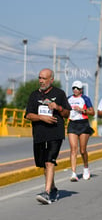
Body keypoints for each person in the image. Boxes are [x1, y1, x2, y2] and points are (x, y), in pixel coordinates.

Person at [25, 68, 71, 204]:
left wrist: (58, 107)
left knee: (50, 161)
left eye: (44, 78)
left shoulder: (59, 94)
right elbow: (28, 115)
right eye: (40, 78)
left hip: (55, 133)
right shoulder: (34, 95)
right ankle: (53, 188)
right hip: (39, 134)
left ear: (51, 80)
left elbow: (67, 114)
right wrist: (42, 118)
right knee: (43, 164)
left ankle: (47, 193)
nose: (41, 81)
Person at [67, 80, 95, 181]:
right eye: (74, 88)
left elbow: (92, 112)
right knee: (73, 149)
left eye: (77, 88)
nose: (75, 90)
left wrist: (82, 110)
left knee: (82, 150)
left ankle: (86, 168)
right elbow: (65, 110)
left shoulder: (85, 99)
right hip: (72, 124)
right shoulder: (69, 99)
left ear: (81, 90)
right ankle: (73, 173)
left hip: (83, 124)